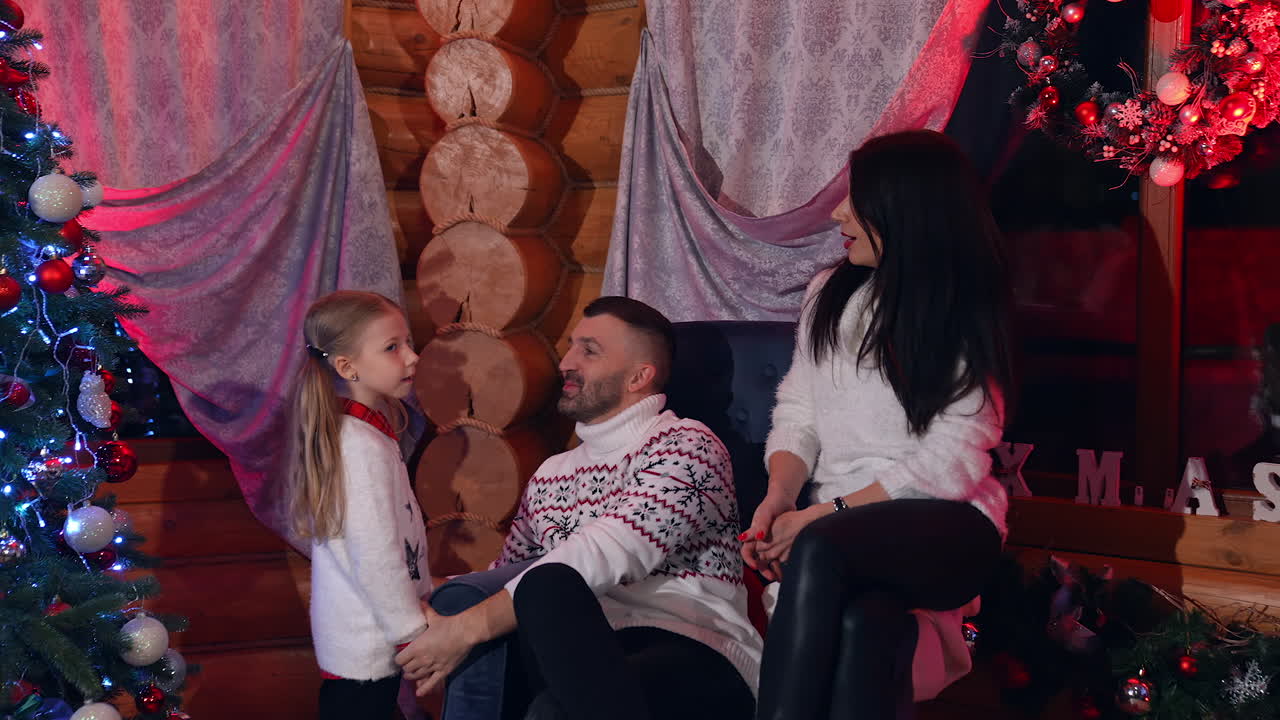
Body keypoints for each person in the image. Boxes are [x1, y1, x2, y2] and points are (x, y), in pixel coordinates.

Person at [742, 130, 1015, 720]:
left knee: (821, 548)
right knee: (868, 625)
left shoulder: (959, 302)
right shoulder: (828, 296)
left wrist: (824, 514)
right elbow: (799, 409)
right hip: (843, 533)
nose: (839, 212)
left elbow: (957, 456)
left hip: (950, 522)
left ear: (902, 205)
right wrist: (779, 496)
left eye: (855, 198)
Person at [397, 296, 760, 720]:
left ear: (639, 376)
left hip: (694, 647)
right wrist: (428, 597)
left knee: (548, 605)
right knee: (540, 605)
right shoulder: (552, 472)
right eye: (571, 346)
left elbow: (608, 551)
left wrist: (465, 628)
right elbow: (511, 572)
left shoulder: (688, 445)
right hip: (578, 651)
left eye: (589, 351)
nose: (567, 362)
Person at [284, 290, 429, 720]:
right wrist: (412, 635)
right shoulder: (357, 446)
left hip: (369, 646)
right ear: (347, 367)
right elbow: (375, 555)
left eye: (408, 342)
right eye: (392, 348)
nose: (412, 357)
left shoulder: (368, 436)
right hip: (365, 650)